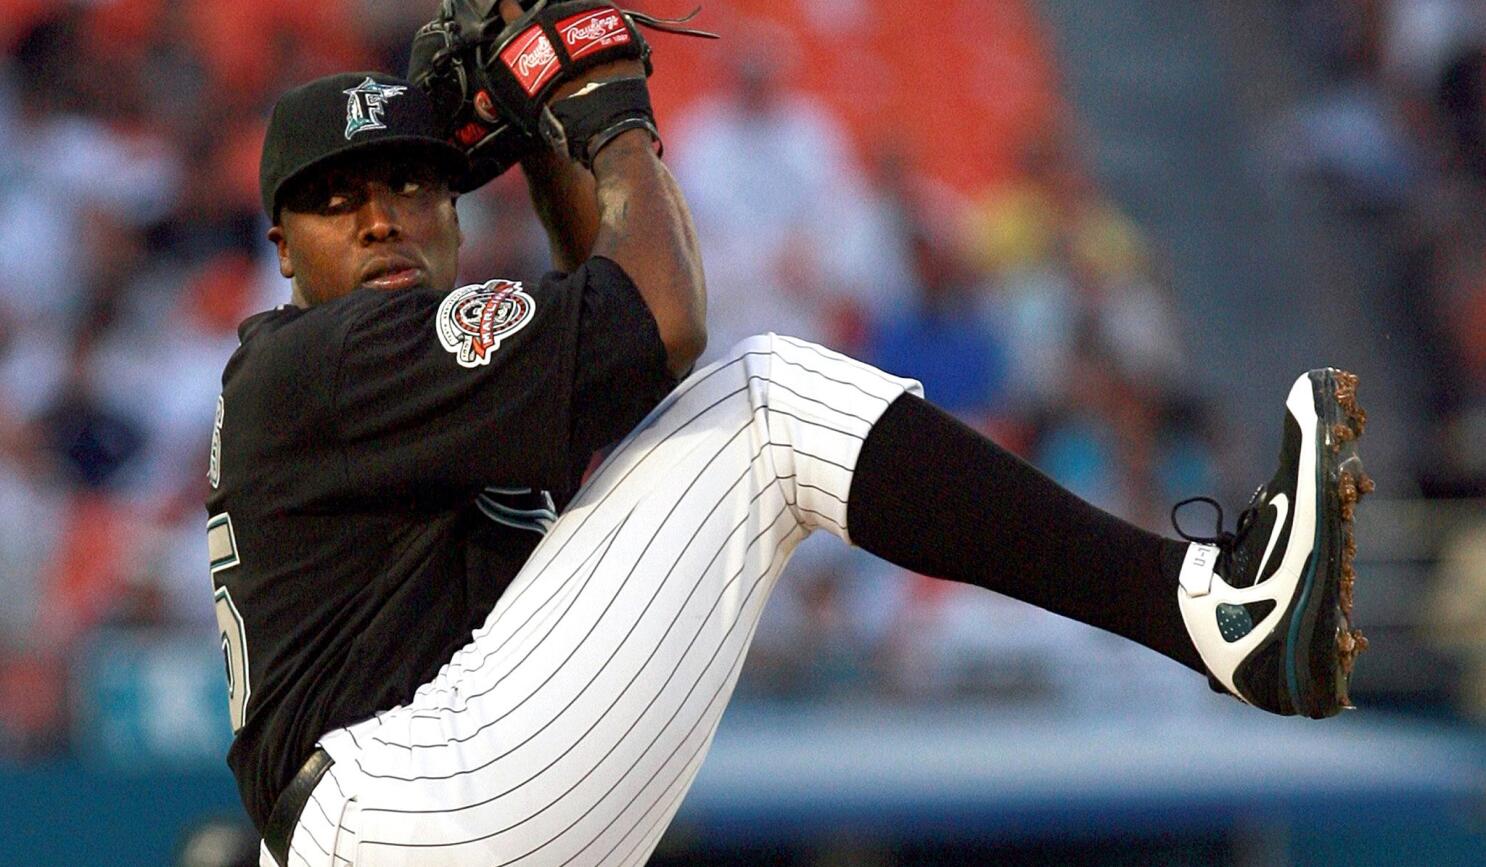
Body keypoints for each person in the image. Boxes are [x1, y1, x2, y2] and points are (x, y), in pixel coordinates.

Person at [207, 5, 1372, 865]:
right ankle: (1215, 615)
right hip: (406, 802)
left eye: (412, 182)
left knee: (703, 424)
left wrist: (542, 139)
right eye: (337, 195)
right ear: (280, 242)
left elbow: (609, 383)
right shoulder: (318, 361)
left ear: (452, 208)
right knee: (764, 403)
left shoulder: (395, 398)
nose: (379, 216)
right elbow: (661, 325)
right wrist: (602, 99)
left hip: (407, 806)